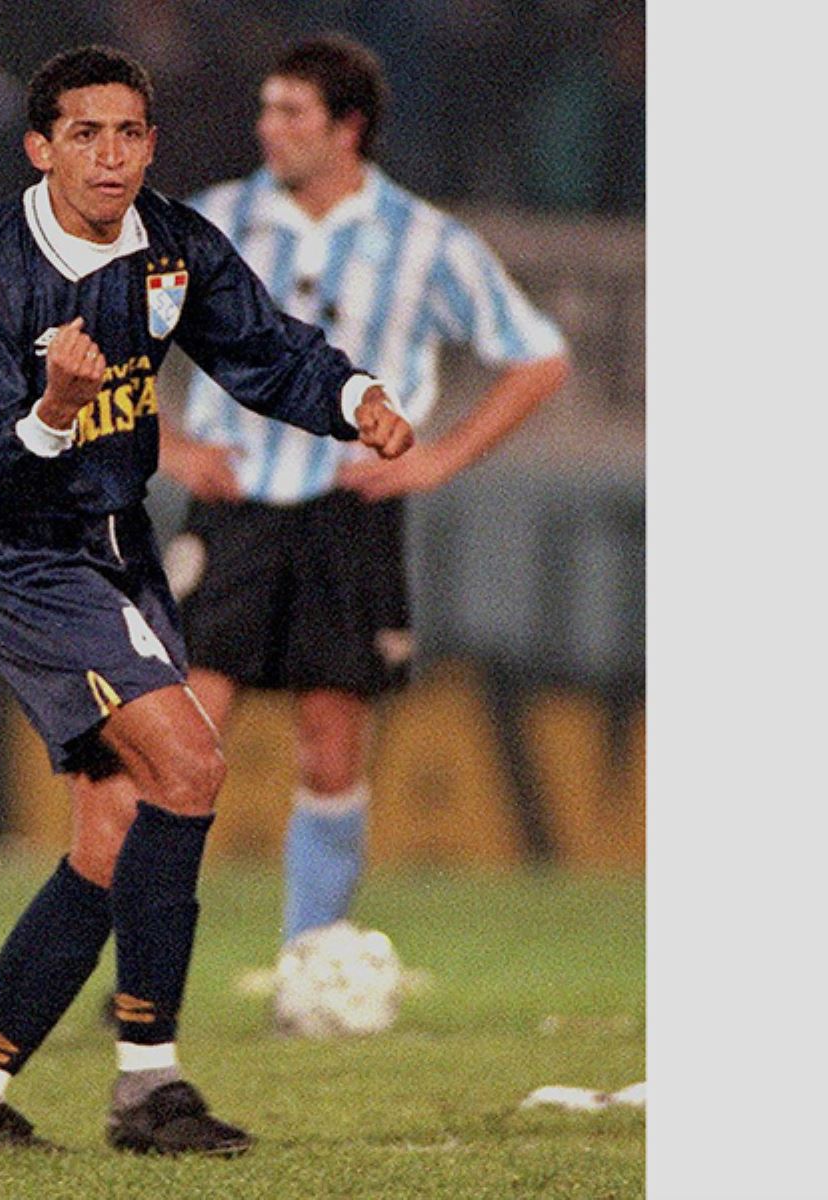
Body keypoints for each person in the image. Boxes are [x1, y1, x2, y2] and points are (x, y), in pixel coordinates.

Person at [0, 44, 414, 1153]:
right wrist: (51, 410)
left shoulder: (172, 248)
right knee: (190, 764)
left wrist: (355, 394)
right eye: (84, 133)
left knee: (113, 831)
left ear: (151, 142)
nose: (110, 154)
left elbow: (264, 352)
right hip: (23, 549)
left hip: (117, 544)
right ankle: (149, 1082)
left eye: (129, 132)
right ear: (39, 147)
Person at [159, 35, 570, 994]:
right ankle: (143, 959)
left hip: (348, 510)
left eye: (291, 112)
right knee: (180, 735)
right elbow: (107, 338)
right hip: (235, 506)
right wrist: (174, 448)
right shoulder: (213, 222)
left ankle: (313, 960)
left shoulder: (427, 241)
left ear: (347, 128)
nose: (269, 128)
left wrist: (444, 457)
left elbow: (537, 357)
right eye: (266, 109)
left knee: (332, 737)